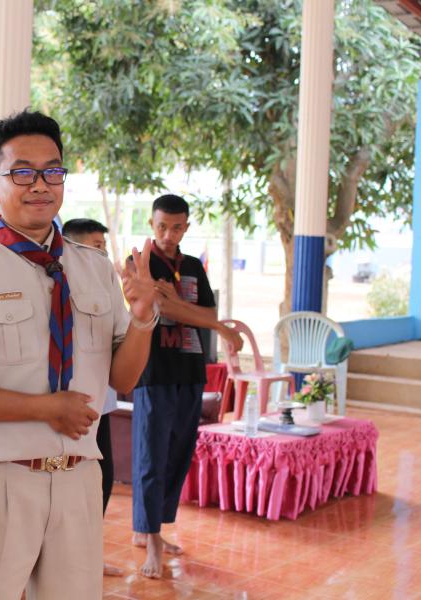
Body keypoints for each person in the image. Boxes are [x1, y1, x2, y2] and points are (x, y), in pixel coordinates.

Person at [0, 110, 157, 600]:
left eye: (52, 171)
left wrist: (143, 317)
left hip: (77, 479)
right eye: (22, 172)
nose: (40, 184)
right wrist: (44, 408)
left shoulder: (94, 268)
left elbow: (124, 379)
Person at [129, 193, 243, 578]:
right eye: (162, 226)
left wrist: (191, 310)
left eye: (176, 228)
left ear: (186, 228)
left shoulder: (193, 265)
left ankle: (151, 530)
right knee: (151, 456)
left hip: (191, 370)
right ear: (151, 223)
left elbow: (206, 309)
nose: (168, 234)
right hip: (153, 371)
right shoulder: (140, 262)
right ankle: (151, 541)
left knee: (177, 455)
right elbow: (163, 309)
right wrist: (218, 326)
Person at [61, 217, 123, 578]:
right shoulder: (59, 284)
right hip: (67, 408)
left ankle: (87, 555)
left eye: (104, 247)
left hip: (102, 404)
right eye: (95, 247)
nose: (102, 254)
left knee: (102, 477)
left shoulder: (106, 284)